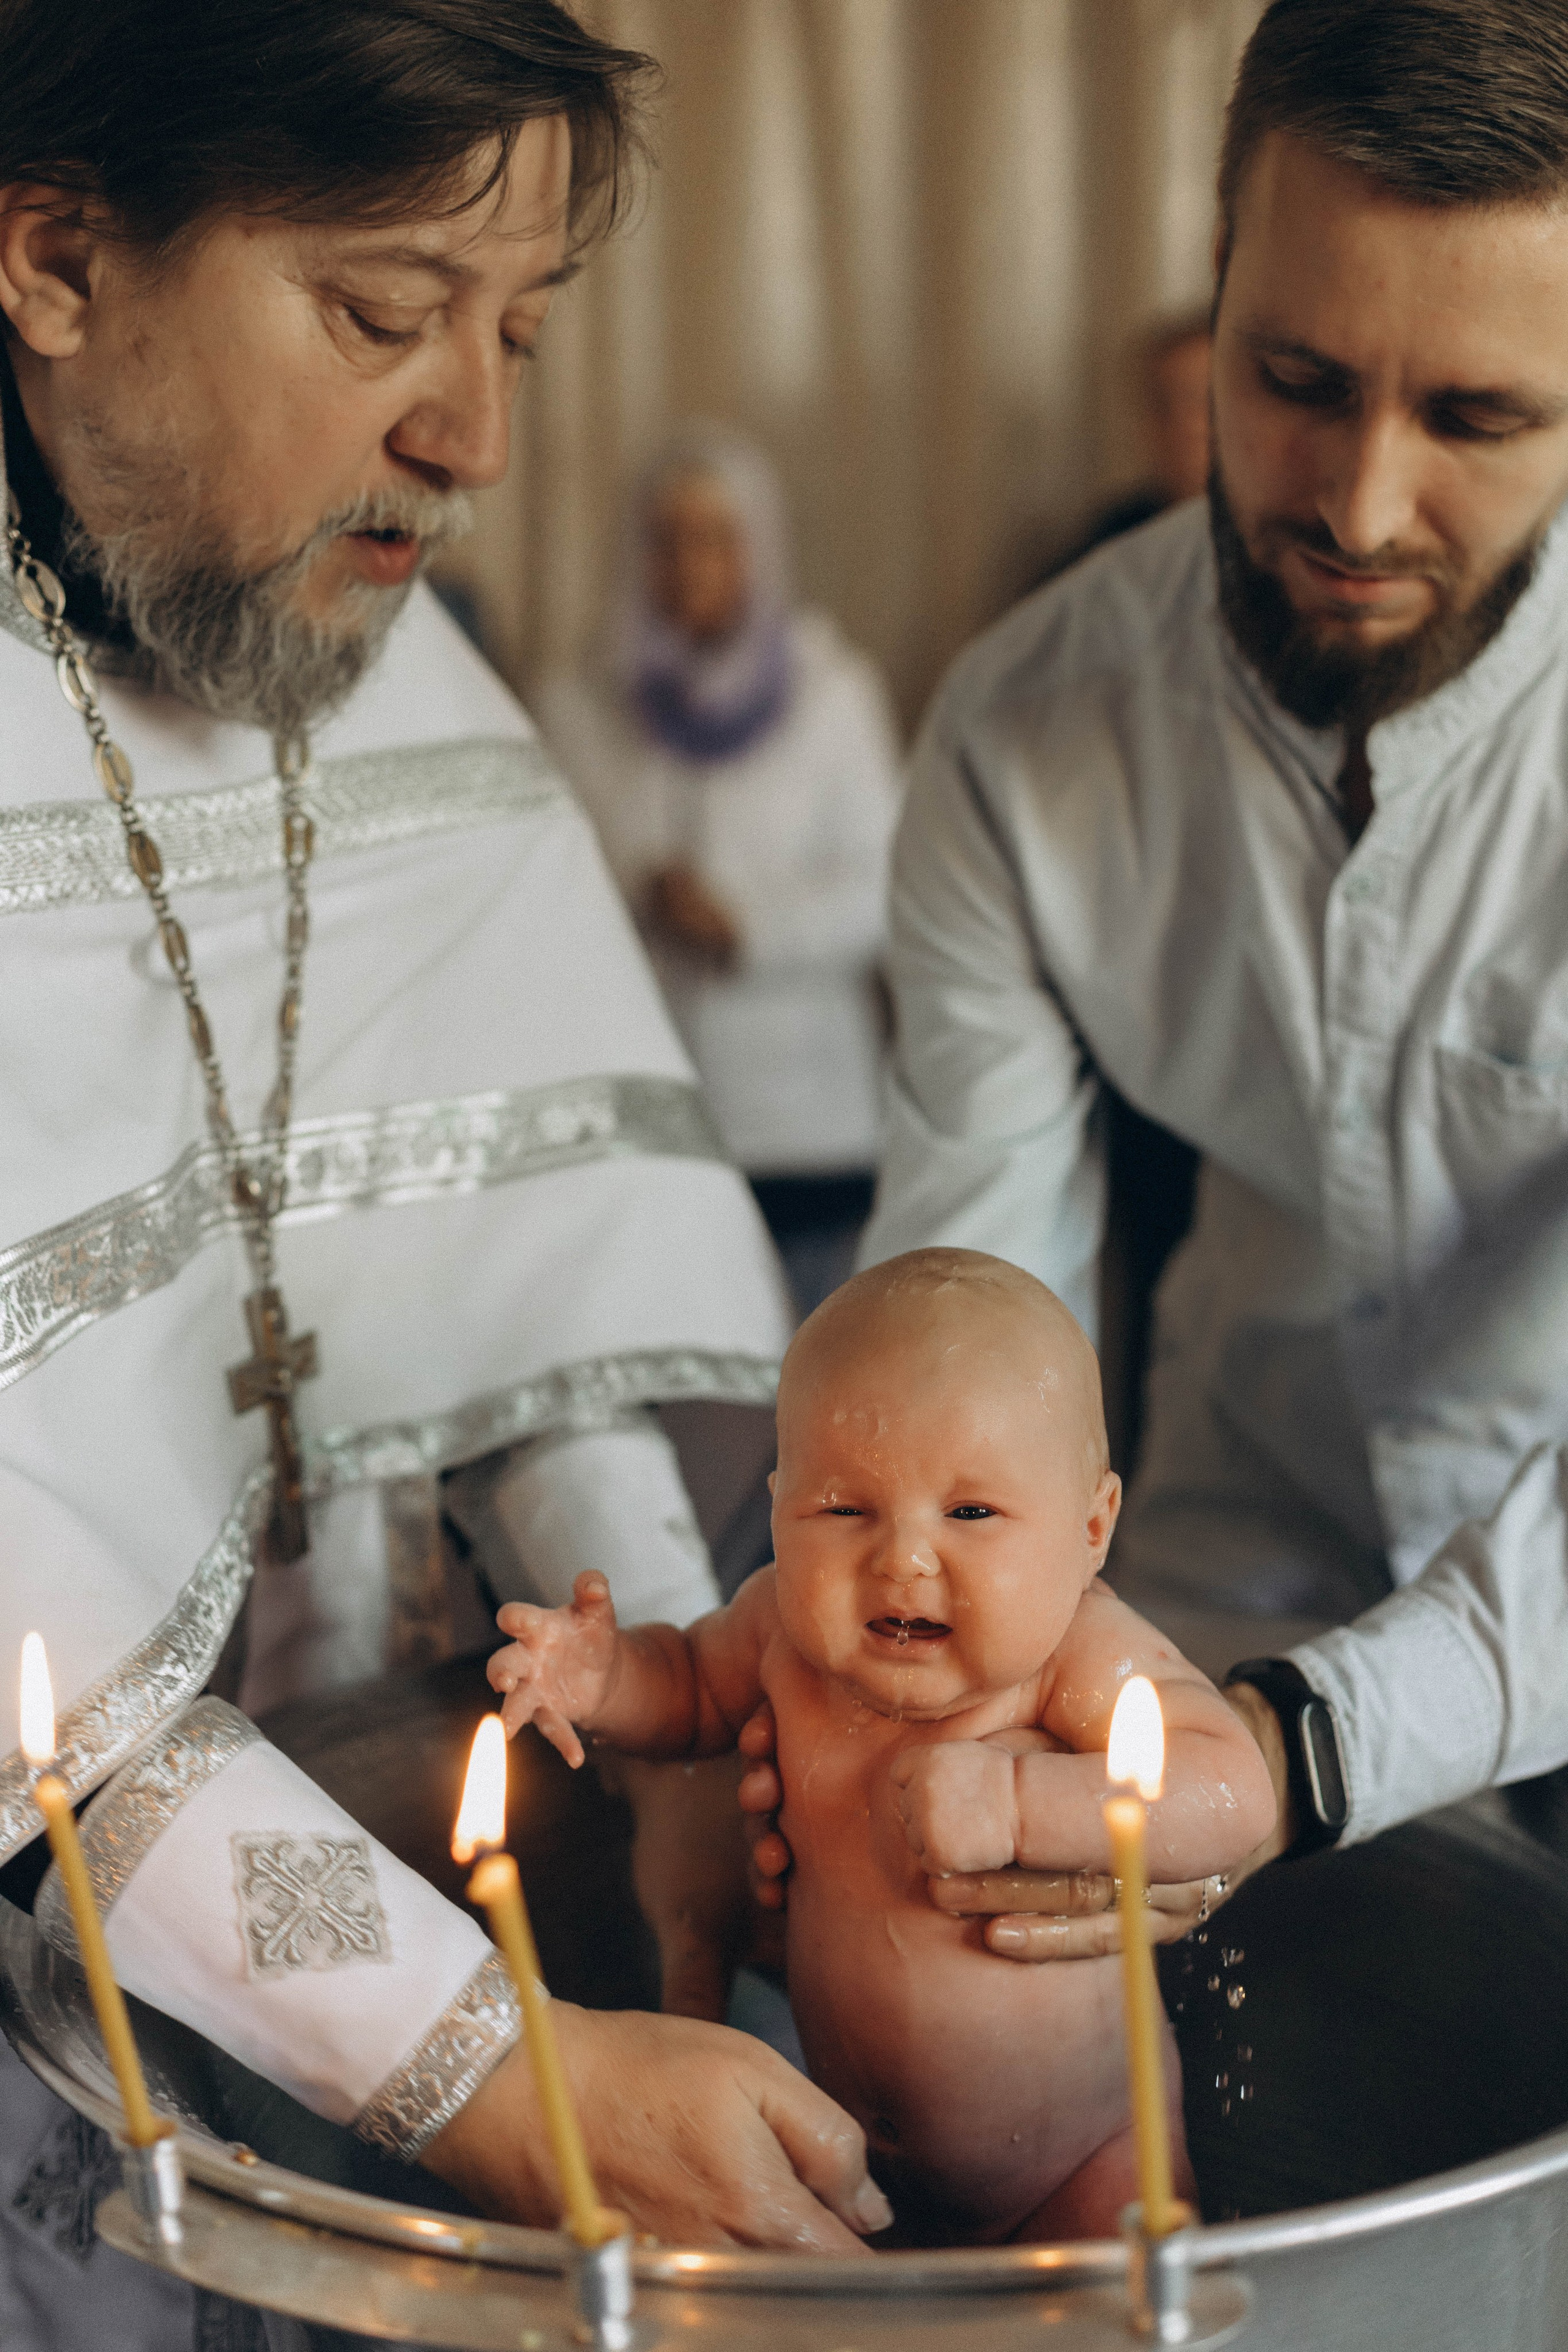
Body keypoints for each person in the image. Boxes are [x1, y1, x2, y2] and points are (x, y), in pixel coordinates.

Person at [0, 9, 889, 2344]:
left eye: (516, 331)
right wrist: (496, 2074)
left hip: (442, 1852)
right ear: (58, 254)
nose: (478, 437)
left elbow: (534, 1296)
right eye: (385, 316)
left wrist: (667, 1724)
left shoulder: (385, 656)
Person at [742, 0, 1568, 1966]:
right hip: (1202, 1610)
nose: (1360, 510)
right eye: (1295, 379)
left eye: (1476, 419)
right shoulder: (1025, 740)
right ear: (1211, 287)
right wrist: (824, 1725)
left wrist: (1305, 1747)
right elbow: (959, 1356)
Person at [488, 1250, 1274, 2243]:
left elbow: (1229, 1788)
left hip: (1085, 2166)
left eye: (972, 1513)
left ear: (1091, 1528)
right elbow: (687, 1688)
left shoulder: (1081, 1654)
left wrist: (1024, 1804)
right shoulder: (778, 1626)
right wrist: (602, 1679)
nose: (902, 1558)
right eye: (843, 1510)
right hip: (850, 2153)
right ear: (779, 1511)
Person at [537, 426, 903, 1320]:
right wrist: (639, 892)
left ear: (759, 549)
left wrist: (745, 926)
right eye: (667, 538)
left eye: (717, 537)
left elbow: (887, 886)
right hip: (643, 1117)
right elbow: (542, 886)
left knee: (813, 1400)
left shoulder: (831, 693)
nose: (690, 563)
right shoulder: (581, 702)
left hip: (806, 1122)